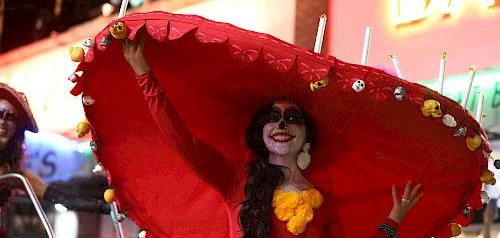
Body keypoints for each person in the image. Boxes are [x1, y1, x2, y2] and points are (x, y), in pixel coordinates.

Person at [118, 32, 423, 237]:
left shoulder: (323, 201)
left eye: (292, 118)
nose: (281, 124)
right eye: (271, 118)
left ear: (306, 136)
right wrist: (143, 72)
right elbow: (182, 140)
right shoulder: (236, 179)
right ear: (259, 132)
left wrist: (394, 218)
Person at [0, 83, 110, 237]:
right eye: (0, 113)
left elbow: (61, 198)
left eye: (11, 117)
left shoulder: (14, 174)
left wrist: (106, 208)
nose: (4, 122)